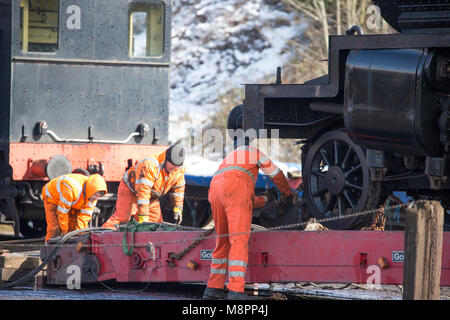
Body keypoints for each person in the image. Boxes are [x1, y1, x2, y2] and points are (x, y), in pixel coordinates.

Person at [202, 135, 294, 300]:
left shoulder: (229, 159)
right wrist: (287, 193)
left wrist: (265, 200)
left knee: (222, 241)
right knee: (238, 241)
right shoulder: (253, 152)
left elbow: (241, 199)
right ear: (248, 144)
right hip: (235, 191)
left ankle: (213, 288)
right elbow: (276, 173)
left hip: (215, 192)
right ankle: (236, 290)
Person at [101, 145, 186, 230]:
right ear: (165, 159)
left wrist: (177, 208)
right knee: (122, 218)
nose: (174, 167)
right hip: (130, 190)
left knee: (156, 224)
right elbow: (143, 192)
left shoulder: (178, 171)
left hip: (152, 196)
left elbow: (178, 190)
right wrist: (143, 216)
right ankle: (101, 237)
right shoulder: (150, 165)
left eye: (177, 165)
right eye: (172, 164)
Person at [42, 173, 107, 242]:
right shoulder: (72, 188)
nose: (95, 198)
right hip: (52, 197)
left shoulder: (92, 197)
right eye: (95, 195)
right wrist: (65, 233)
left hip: (72, 202)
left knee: (73, 230)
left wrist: (81, 236)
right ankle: (49, 250)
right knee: (55, 228)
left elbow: (83, 218)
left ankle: (67, 249)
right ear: (91, 190)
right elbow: (62, 213)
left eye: (98, 196)